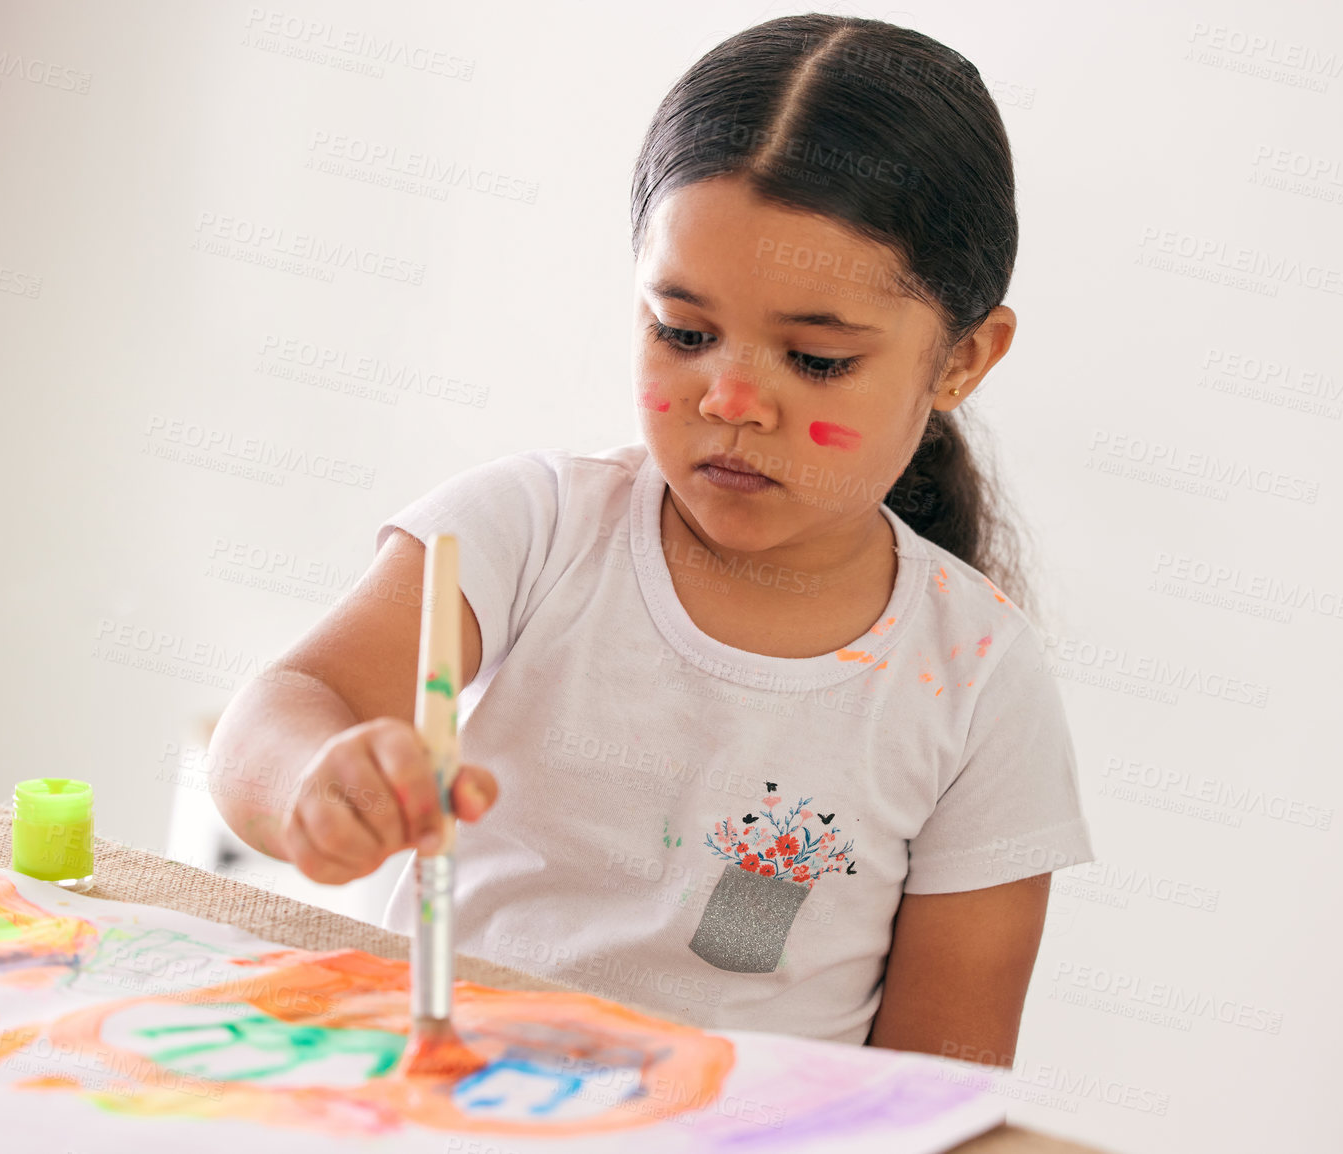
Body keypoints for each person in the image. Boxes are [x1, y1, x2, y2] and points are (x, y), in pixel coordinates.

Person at [208, 12, 1093, 1063]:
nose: (729, 398)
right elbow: (270, 718)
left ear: (962, 360)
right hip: (433, 1105)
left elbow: (939, 1083)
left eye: (813, 359)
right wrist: (312, 779)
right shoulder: (527, 529)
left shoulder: (980, 678)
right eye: (683, 333)